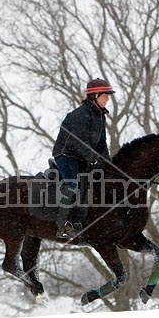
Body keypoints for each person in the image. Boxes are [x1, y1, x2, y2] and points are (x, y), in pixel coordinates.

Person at [51, 78, 115, 239]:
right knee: (73, 184)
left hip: (82, 156)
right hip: (66, 155)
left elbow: (101, 144)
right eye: (105, 95)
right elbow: (80, 143)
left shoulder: (101, 116)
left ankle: (84, 222)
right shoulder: (79, 115)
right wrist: (93, 160)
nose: (108, 99)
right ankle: (63, 225)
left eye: (108, 96)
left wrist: (108, 165)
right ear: (95, 96)